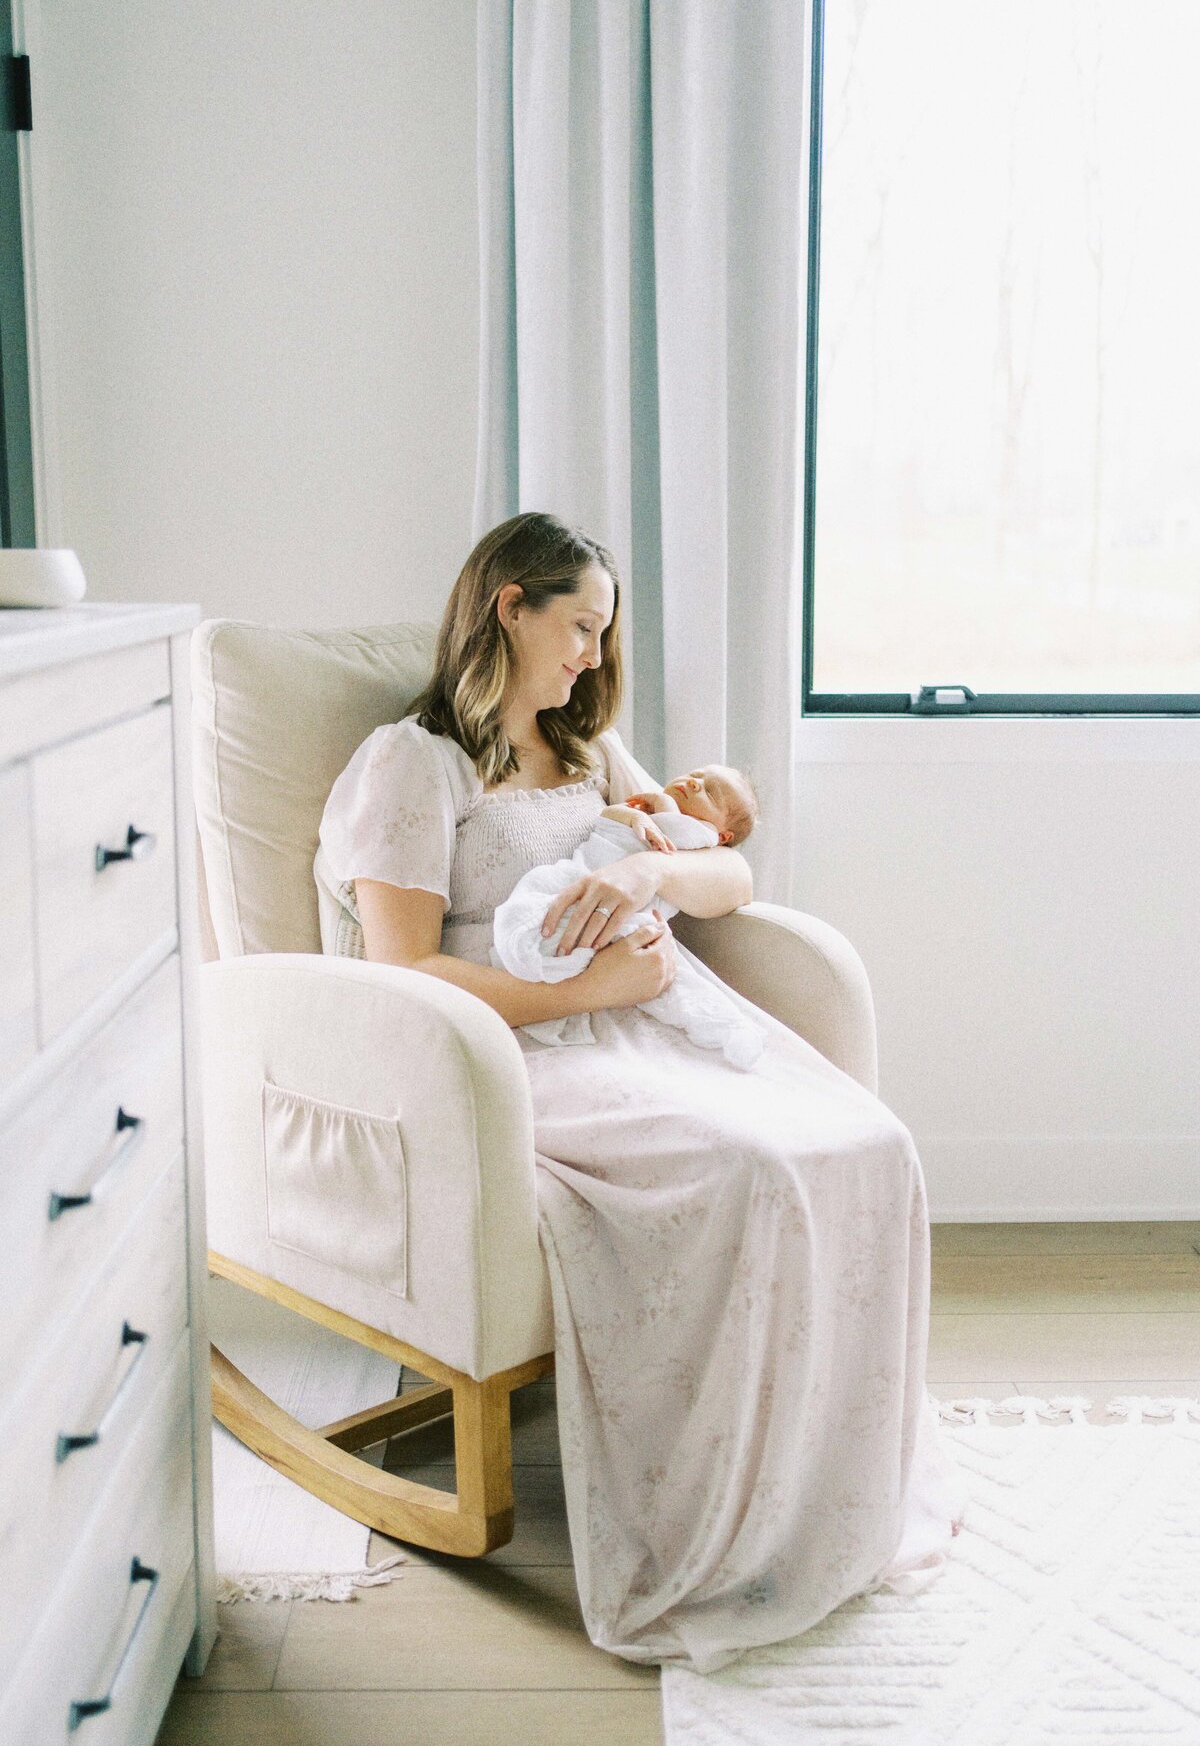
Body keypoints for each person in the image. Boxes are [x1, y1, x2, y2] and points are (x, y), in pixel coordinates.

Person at [314, 510, 968, 1675]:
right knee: (757, 1170)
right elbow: (403, 977)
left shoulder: (587, 757)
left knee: (869, 1141)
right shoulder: (412, 767)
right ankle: (719, 1519)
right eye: (579, 626)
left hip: (647, 1027)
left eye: (604, 633)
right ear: (509, 604)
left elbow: (727, 872)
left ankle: (825, 1484)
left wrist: (654, 867)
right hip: (514, 1061)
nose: (593, 656)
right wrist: (586, 992)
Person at [488, 764, 768, 1067]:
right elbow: (607, 819)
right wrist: (633, 815)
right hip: (572, 886)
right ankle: (539, 951)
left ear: (722, 835)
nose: (694, 783)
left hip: (628, 923)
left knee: (672, 975)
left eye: (711, 792)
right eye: (695, 774)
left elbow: (722, 865)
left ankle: (726, 1029)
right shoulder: (648, 807)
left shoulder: (702, 836)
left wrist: (655, 838)